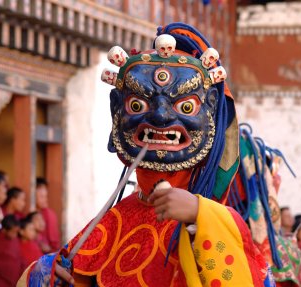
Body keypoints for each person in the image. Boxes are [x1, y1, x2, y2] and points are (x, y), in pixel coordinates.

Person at [19, 23, 276, 286]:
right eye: (137, 104)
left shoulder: (213, 221)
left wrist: (201, 214)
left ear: (210, 113)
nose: (160, 116)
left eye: (186, 106)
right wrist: (42, 273)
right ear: (116, 111)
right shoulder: (116, 220)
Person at [0, 215, 25, 287]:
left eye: (17, 232)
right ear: (4, 230)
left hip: (15, 277)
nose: (15, 235)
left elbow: (18, 255)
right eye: (13, 232)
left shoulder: (14, 239)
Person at [35, 177, 61, 252]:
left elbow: (54, 243)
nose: (45, 200)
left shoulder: (49, 214)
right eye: (41, 197)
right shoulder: (29, 211)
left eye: (46, 196)